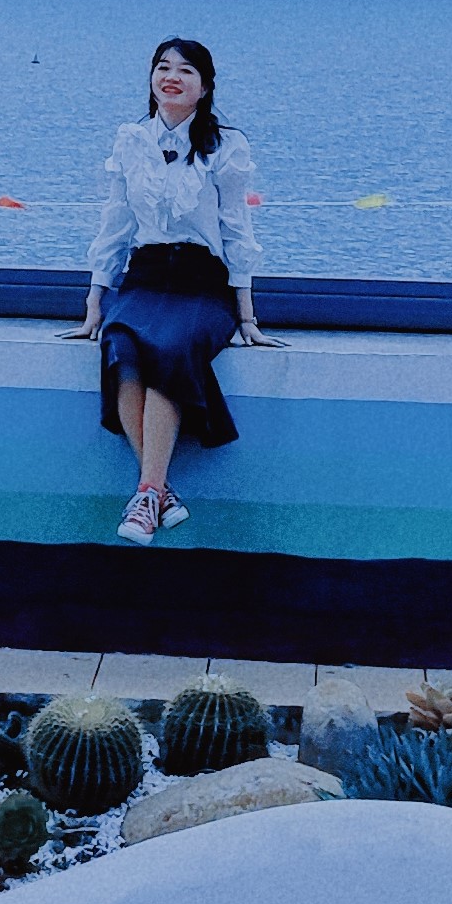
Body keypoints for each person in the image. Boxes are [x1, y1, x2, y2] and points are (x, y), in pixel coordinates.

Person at [62, 37, 282, 545]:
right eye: (163, 67)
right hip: (146, 275)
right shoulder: (131, 140)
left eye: (186, 70)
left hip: (203, 283)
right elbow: (116, 224)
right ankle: (158, 493)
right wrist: (95, 300)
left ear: (205, 87)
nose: (172, 77)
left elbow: (237, 229)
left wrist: (247, 315)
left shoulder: (226, 146)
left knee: (170, 346)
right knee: (120, 342)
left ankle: (145, 495)